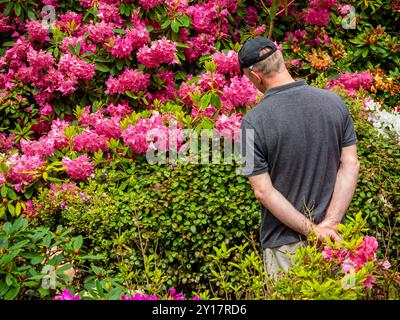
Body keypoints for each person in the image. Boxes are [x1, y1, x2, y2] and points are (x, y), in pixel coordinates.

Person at [238, 37, 360, 279]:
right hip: (336, 243)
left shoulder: (253, 122)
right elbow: (351, 164)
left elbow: (263, 191)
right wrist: (330, 225)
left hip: (286, 248)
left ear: (255, 76)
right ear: (281, 60)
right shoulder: (334, 103)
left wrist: (315, 232)